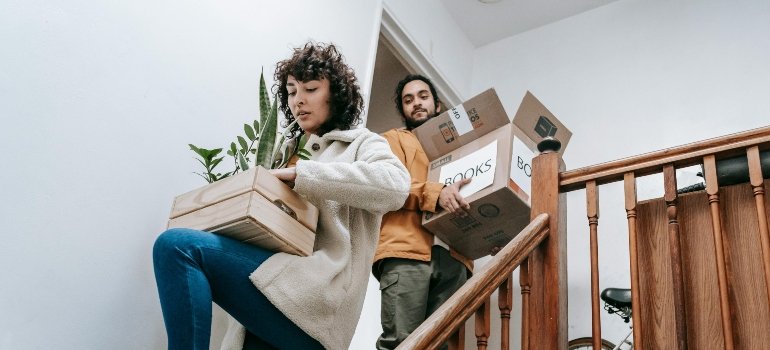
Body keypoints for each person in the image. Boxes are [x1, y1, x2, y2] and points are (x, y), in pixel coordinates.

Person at [153, 42, 410, 350]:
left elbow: (396, 186)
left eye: (311, 89)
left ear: (336, 94)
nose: (298, 100)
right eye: (291, 91)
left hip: (314, 303)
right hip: (271, 295)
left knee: (177, 247)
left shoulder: (361, 143)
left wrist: (302, 175)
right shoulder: (283, 151)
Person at [373, 74, 474, 349]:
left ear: (437, 105)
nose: (416, 103)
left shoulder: (463, 148)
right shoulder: (392, 140)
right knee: (401, 343)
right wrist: (435, 193)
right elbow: (387, 185)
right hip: (406, 253)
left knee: (439, 346)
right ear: (403, 110)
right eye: (408, 100)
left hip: (455, 258)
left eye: (423, 96)